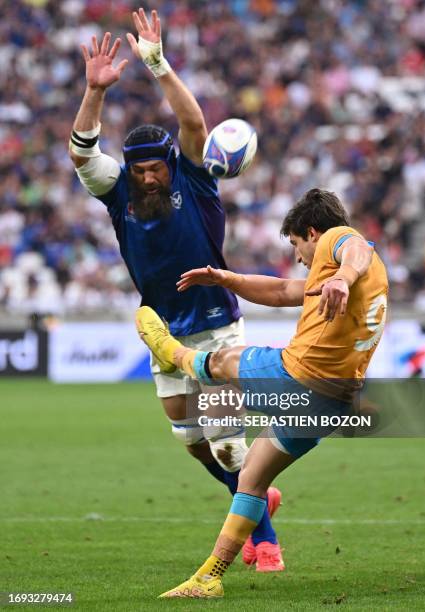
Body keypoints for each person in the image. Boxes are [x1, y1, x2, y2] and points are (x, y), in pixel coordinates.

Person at [68, 7, 282, 571]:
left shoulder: (195, 176)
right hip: (163, 332)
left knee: (230, 444)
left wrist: (157, 63)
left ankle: (264, 538)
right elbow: (83, 153)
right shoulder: (119, 195)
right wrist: (95, 92)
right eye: (137, 170)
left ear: (167, 165)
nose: (146, 177)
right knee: (191, 440)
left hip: (215, 325)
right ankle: (257, 495)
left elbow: (192, 124)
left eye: (152, 169)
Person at [135, 188, 389, 598]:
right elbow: (283, 292)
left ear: (310, 232)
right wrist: (225, 279)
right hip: (334, 401)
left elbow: (353, 247)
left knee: (220, 361)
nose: (299, 256)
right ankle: (209, 578)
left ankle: (172, 354)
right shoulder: (355, 270)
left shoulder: (337, 239)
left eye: (295, 245)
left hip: (300, 377)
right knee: (251, 478)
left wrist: (342, 276)